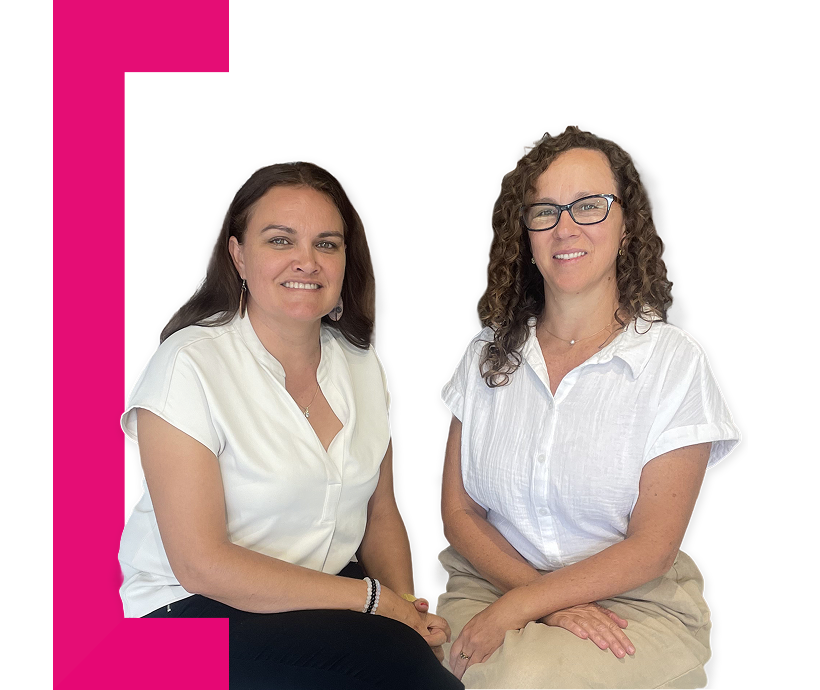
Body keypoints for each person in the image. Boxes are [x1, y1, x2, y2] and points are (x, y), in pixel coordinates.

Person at [119, 161, 463, 689]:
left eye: (327, 244)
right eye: (281, 240)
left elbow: (380, 509)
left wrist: (408, 608)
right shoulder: (187, 366)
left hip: (320, 592)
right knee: (404, 680)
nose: (306, 261)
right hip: (188, 611)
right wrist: (374, 601)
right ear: (237, 254)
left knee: (416, 664)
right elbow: (201, 564)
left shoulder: (360, 361)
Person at [435, 126, 740, 689]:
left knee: (522, 681)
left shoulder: (673, 361)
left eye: (590, 206)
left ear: (627, 227)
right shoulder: (486, 353)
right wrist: (533, 601)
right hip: (488, 581)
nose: (565, 226)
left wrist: (519, 610)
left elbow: (652, 547)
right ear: (525, 234)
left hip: (633, 602)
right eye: (545, 210)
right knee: (418, 668)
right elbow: (460, 514)